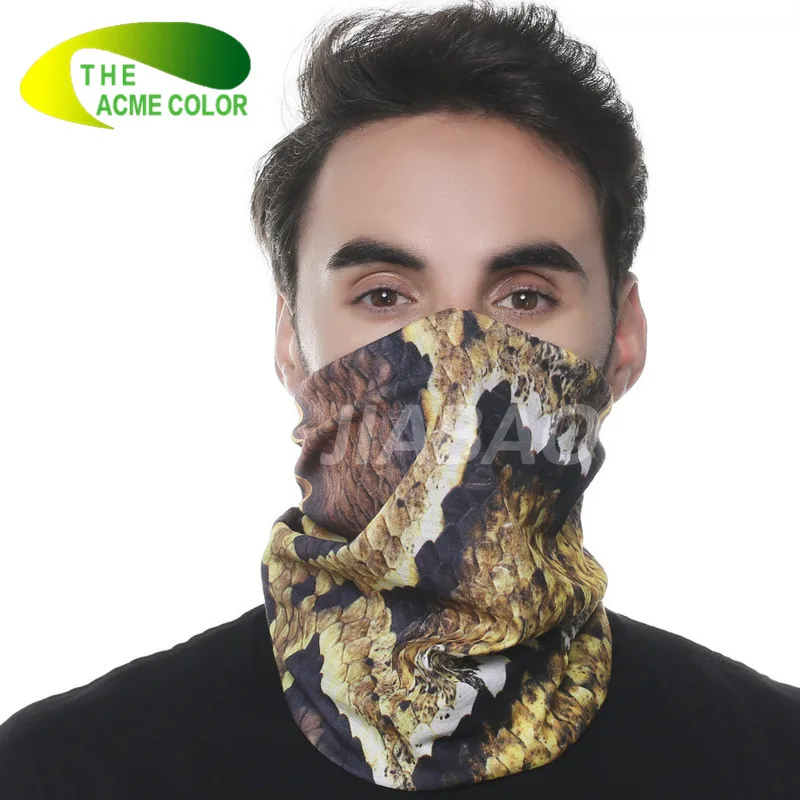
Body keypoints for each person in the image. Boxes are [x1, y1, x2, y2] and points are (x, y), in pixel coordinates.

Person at [2, 2, 799, 798]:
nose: (454, 357)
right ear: (290, 340)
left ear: (623, 337)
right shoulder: (70, 772)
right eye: (384, 296)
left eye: (524, 297)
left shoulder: (772, 758)